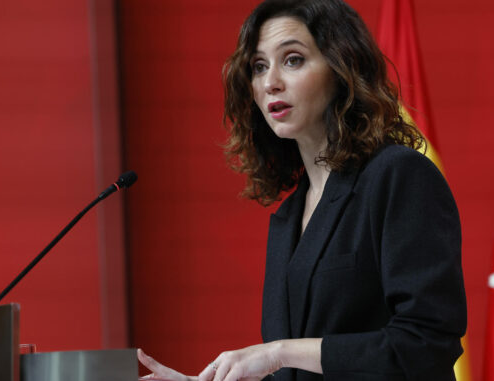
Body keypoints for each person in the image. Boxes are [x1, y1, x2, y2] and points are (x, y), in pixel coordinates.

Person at [138, 0, 467, 380]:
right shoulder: (289, 215)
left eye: (292, 60)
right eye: (259, 67)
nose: (270, 82)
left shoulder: (398, 176)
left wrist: (279, 353)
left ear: (341, 68)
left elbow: (427, 343)